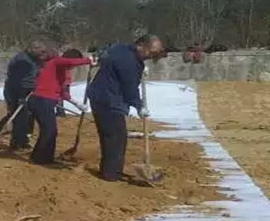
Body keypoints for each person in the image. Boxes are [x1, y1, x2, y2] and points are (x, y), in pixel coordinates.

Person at [86, 33, 166, 182]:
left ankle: (110, 171)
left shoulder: (121, 49)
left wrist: (140, 68)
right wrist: (139, 106)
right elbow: (129, 88)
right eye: (150, 52)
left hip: (100, 97)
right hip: (108, 100)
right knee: (116, 138)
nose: (150, 56)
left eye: (154, 53)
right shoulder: (129, 61)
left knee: (111, 137)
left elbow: (106, 52)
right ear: (140, 45)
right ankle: (111, 175)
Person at [28, 48, 95, 165]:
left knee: (49, 131)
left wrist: (77, 103)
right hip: (40, 101)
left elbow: (63, 92)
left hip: (46, 102)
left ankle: (41, 156)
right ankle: (41, 158)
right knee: (49, 131)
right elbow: (70, 62)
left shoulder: (64, 72)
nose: (73, 68)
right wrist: (88, 60)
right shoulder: (55, 62)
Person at [0, 42, 47, 148]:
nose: (42, 54)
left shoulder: (33, 59)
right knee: (20, 117)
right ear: (32, 49)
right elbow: (18, 80)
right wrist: (22, 95)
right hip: (17, 91)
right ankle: (16, 142)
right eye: (41, 51)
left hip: (27, 90)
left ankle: (23, 140)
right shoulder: (22, 61)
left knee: (28, 117)